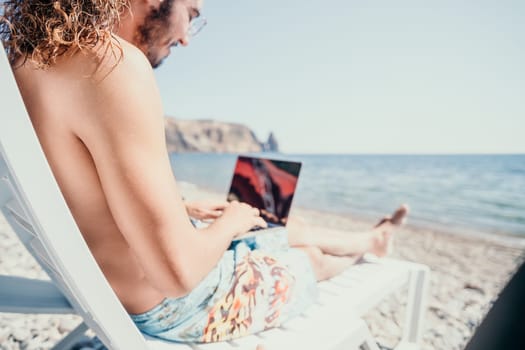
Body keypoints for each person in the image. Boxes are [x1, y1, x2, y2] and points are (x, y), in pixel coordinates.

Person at [0, 0, 408, 344]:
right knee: (306, 257)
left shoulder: (26, 59)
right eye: (192, 14)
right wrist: (230, 221)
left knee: (274, 226)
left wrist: (183, 208)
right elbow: (178, 275)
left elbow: (78, 191)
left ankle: (371, 239)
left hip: (109, 285)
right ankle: (363, 249)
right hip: (175, 308)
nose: (185, 38)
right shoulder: (114, 66)